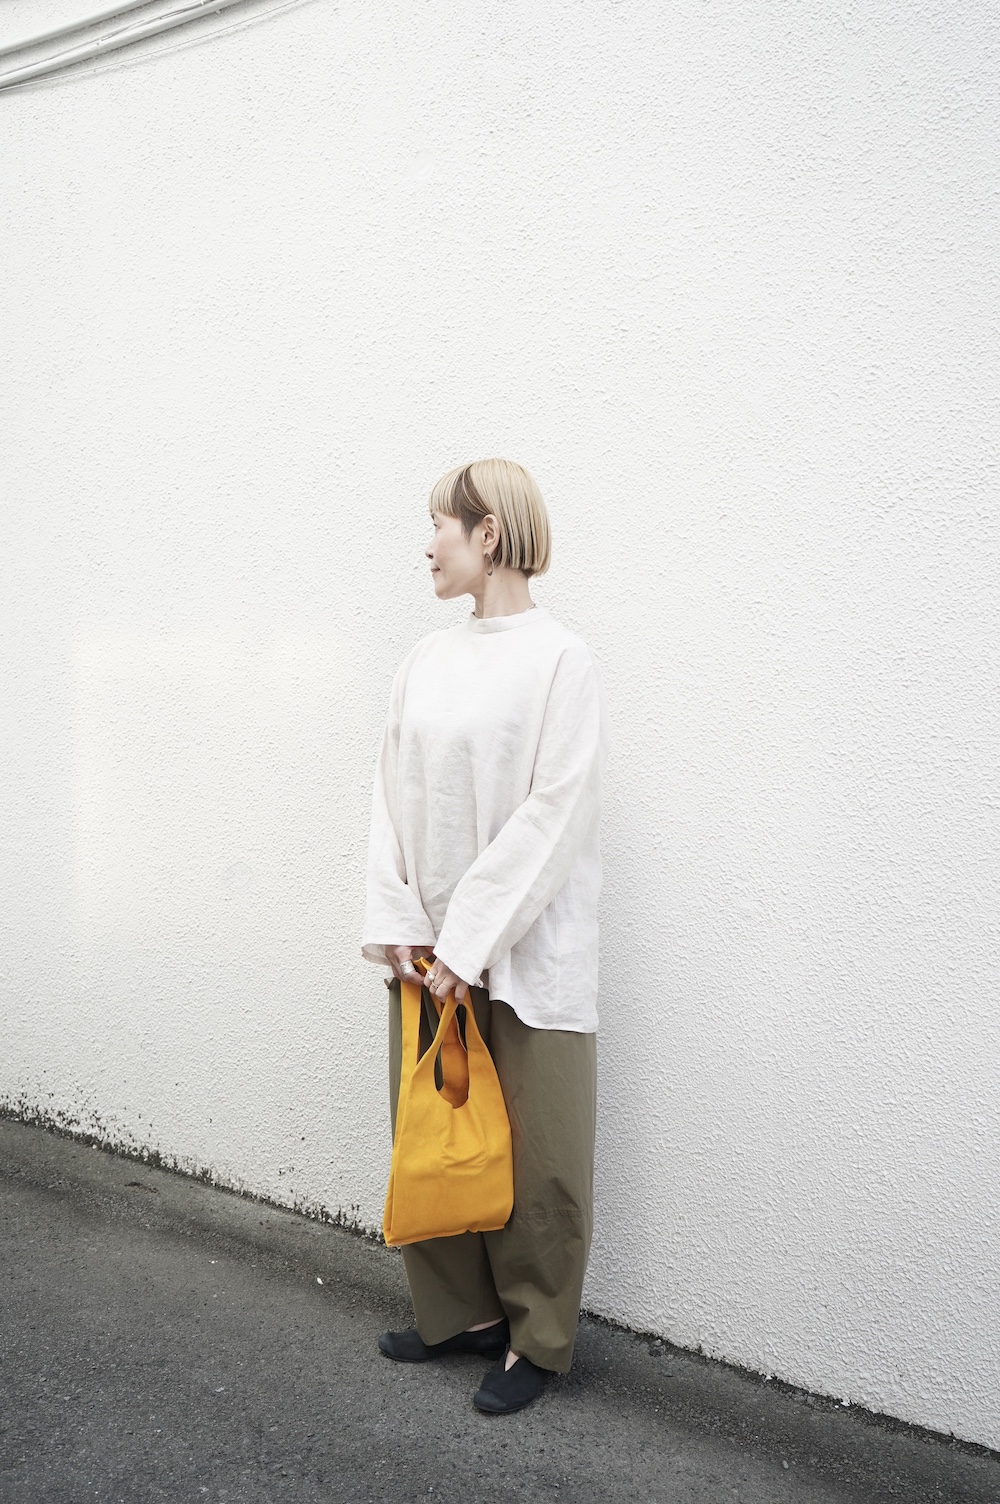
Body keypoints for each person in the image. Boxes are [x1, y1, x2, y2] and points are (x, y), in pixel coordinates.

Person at [362, 458, 610, 1415]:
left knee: (541, 1153)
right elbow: (389, 793)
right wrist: (399, 919)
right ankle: (461, 1314)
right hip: (429, 952)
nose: (427, 545)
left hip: (524, 951)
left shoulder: (561, 661)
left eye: (440, 525)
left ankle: (535, 1341)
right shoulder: (424, 660)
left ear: (489, 534)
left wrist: (470, 943)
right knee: (434, 1136)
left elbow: (555, 814)